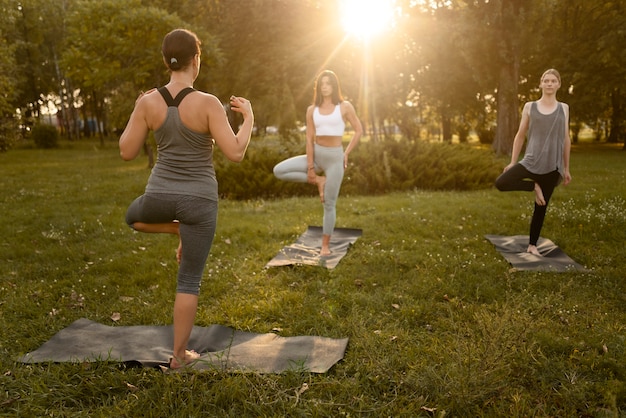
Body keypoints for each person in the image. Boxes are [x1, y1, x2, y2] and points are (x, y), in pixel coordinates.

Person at [119, 29, 254, 369]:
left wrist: (140, 107)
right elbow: (236, 152)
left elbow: (126, 151)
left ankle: (175, 229)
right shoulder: (207, 103)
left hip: (159, 196)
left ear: (166, 61)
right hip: (200, 202)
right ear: (196, 60)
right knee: (189, 279)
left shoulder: (149, 102)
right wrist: (249, 118)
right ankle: (179, 356)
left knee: (132, 216)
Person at [273, 70, 363, 256]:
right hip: (316, 154)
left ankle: (325, 245)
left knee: (329, 204)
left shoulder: (344, 107)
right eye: (322, 83)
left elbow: (358, 130)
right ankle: (320, 181)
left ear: (334, 86)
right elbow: (309, 139)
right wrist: (312, 169)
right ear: (318, 87)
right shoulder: (311, 110)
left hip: (335, 159)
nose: (325, 86)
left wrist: (346, 153)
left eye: (329, 83)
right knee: (279, 170)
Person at [495, 68, 571, 256]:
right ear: (540, 83)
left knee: (541, 207)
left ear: (559, 84)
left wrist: (566, 167)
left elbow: (566, 138)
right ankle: (533, 187)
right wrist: (513, 162)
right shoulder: (530, 106)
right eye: (546, 80)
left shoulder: (564, 108)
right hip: (530, 160)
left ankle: (532, 245)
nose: (550, 84)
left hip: (552, 165)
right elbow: (520, 135)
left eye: (553, 81)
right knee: (501, 182)